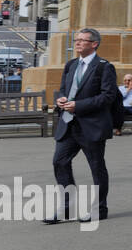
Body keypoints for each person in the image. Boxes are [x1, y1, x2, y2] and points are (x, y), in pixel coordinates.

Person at [46, 27, 117, 224]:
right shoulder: (70, 65)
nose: (77, 43)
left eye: (82, 40)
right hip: (68, 124)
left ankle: (99, 209)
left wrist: (79, 106)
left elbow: (108, 96)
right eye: (76, 40)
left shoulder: (104, 67)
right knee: (59, 162)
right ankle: (66, 208)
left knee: (96, 167)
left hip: (91, 125)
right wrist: (60, 99)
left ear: (94, 44)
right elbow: (63, 89)